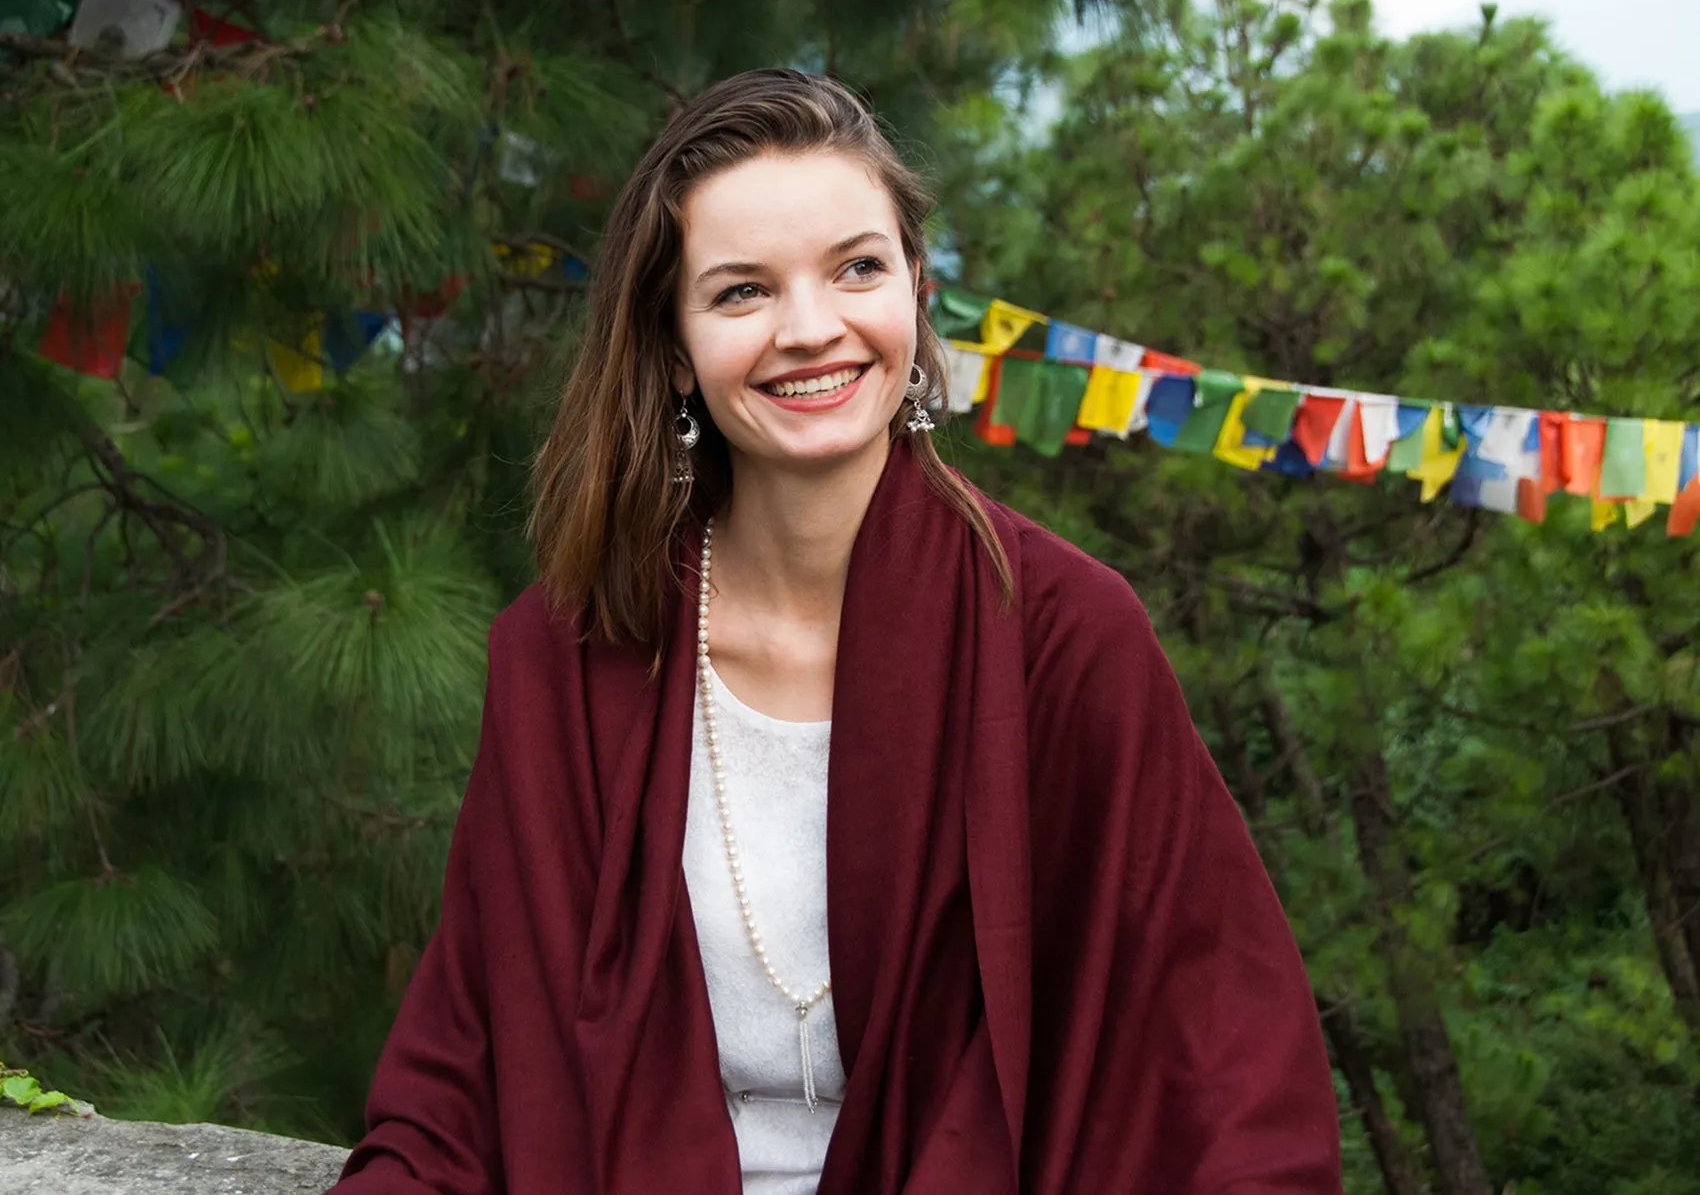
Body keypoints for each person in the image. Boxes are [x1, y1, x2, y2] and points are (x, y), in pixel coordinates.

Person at [329, 68, 1341, 1195]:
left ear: (916, 288)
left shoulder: (1063, 638)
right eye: (741, 292)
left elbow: (1226, 1071)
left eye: (857, 268)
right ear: (670, 347)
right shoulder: (565, 660)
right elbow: (456, 1081)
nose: (812, 331)